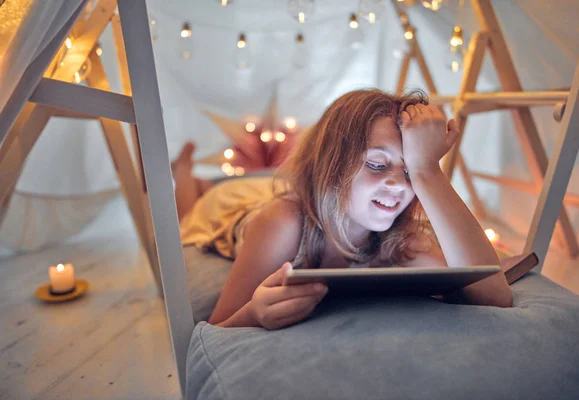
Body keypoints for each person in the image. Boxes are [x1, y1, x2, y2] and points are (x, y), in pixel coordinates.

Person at [172, 89, 513, 331]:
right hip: (237, 207)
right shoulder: (282, 222)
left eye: (409, 171)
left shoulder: (399, 238)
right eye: (378, 165)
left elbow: (494, 296)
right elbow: (218, 329)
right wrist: (254, 314)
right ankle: (184, 170)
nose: (399, 185)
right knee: (193, 208)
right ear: (331, 165)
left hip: (298, 195)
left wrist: (428, 170)